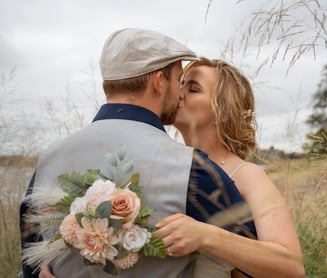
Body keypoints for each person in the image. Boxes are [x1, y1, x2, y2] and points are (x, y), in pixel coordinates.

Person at [20, 29, 255, 278]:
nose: (180, 93)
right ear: (158, 82)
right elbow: (251, 261)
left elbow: (32, 260)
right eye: (178, 79)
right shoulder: (191, 168)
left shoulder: (48, 159)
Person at [155, 57, 306, 277]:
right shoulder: (165, 164)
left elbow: (293, 268)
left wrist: (206, 236)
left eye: (194, 89)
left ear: (222, 111)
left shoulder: (248, 175)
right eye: (181, 84)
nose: (179, 93)